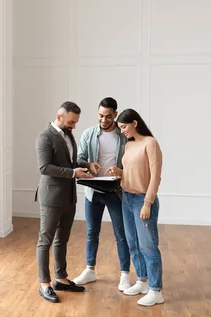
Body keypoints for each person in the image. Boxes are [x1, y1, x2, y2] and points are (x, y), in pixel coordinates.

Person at [71, 97, 131, 291]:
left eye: (108, 116)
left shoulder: (124, 137)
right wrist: (89, 164)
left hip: (116, 191)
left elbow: (132, 163)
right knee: (91, 232)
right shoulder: (89, 134)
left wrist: (122, 175)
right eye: (100, 116)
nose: (103, 120)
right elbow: (78, 159)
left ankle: (124, 275)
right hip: (93, 191)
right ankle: (90, 270)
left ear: (115, 114)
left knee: (121, 234)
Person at [35, 101, 92, 303]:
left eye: (76, 122)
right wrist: (72, 173)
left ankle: (61, 278)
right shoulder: (44, 137)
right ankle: (44, 284)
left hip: (69, 197)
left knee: (62, 240)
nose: (74, 126)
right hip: (51, 198)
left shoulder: (68, 135)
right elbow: (44, 168)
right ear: (59, 117)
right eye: (71, 122)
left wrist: (85, 165)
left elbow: (68, 162)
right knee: (45, 241)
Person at [106, 108, 164, 306]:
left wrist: (148, 203)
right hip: (126, 198)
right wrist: (119, 172)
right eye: (120, 128)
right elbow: (132, 172)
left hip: (142, 199)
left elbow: (155, 177)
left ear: (135, 123)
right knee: (133, 243)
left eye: (124, 127)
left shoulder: (151, 143)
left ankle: (156, 291)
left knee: (148, 246)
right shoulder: (129, 145)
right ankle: (142, 281)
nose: (122, 131)